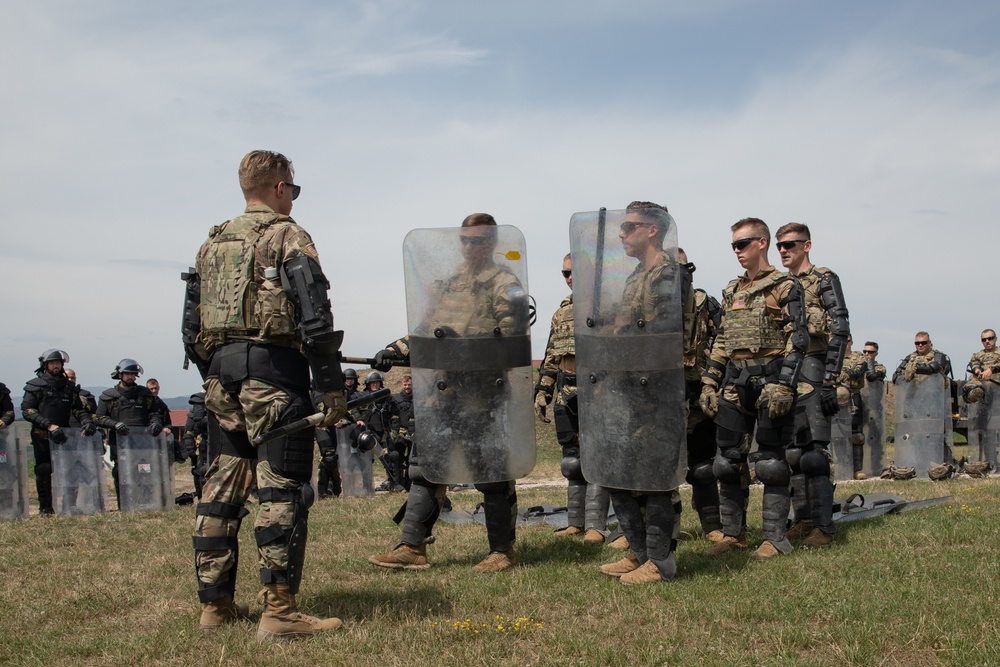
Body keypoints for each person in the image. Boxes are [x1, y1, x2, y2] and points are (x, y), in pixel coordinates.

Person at [186, 150, 347, 639]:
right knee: (282, 490)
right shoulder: (288, 234)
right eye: (292, 190)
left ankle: (214, 607)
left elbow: (192, 324)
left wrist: (214, 374)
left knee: (221, 488)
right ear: (280, 188)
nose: (292, 199)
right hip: (274, 379)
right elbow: (315, 316)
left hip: (220, 379)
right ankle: (278, 612)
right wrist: (331, 386)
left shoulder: (211, 243)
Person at [368, 213, 526, 573]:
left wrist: (467, 346)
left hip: (481, 393)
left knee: (490, 472)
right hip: (442, 392)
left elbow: (511, 339)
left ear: (493, 243)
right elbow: (426, 329)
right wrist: (395, 350)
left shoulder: (505, 283)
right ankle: (412, 547)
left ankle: (502, 551)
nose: (471, 247)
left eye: (479, 240)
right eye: (466, 241)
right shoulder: (450, 283)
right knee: (426, 468)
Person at [591, 201, 693, 585]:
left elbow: (664, 328)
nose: (621, 233)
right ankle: (638, 552)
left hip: (658, 389)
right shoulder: (637, 275)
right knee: (618, 474)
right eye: (620, 227)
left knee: (653, 479)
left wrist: (623, 332)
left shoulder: (669, 273)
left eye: (629, 227)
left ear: (653, 230)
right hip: (630, 387)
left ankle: (660, 561)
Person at [699, 218, 808, 560]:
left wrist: (784, 385)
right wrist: (710, 382)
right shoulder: (731, 290)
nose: (737, 251)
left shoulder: (784, 286)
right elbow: (722, 340)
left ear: (762, 243)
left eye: (743, 243)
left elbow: (798, 338)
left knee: (771, 464)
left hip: (772, 380)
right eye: (733, 245)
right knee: (726, 463)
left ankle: (774, 537)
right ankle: (733, 535)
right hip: (736, 382)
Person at [774, 222, 851, 549]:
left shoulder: (823, 279)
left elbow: (841, 327)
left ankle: (824, 526)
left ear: (807, 245)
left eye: (790, 244)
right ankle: (803, 519)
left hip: (816, 365)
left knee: (815, 454)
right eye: (779, 245)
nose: (783, 251)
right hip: (788, 370)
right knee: (793, 451)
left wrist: (831, 379)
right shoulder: (779, 285)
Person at [535, 253, 611, 545]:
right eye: (564, 273)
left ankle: (596, 526)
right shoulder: (562, 311)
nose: (569, 278)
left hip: (598, 390)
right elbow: (552, 355)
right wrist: (544, 390)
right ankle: (575, 523)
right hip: (567, 390)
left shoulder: (605, 306)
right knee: (572, 460)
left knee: (597, 459)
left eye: (574, 272)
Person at [678, 248, 724, 543]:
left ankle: (711, 526)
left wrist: (714, 384)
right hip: (659, 393)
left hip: (698, 390)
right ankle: (650, 533)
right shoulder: (649, 305)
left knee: (703, 466)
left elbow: (724, 343)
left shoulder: (706, 304)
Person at [20, 349, 97, 515]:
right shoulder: (35, 385)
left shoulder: (69, 387)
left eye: (58, 363)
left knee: (71, 471)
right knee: (44, 469)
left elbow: (78, 409)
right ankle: (46, 507)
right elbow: (28, 410)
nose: (56, 366)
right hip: (43, 434)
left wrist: (87, 421)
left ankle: (70, 505)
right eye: (52, 363)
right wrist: (49, 426)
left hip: (66, 436)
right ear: (45, 365)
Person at [94, 359, 163, 506]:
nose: (131, 377)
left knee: (144, 472)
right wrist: (115, 424)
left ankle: (145, 502)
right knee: (120, 472)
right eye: (127, 374)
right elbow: (99, 417)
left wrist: (156, 423)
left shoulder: (144, 394)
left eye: (133, 374)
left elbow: (154, 413)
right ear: (120, 374)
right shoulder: (110, 396)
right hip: (119, 441)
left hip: (142, 441)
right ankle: (124, 503)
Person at [356, 371, 402, 491]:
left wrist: (395, 430)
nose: (375, 385)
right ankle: (366, 486)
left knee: (392, 456)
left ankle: (395, 484)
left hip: (384, 433)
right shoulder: (362, 397)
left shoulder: (387, 397)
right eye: (372, 383)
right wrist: (359, 419)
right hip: (369, 433)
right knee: (366, 460)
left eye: (377, 382)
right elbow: (355, 411)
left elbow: (395, 414)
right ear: (368, 384)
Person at [961, 329, 1000, 404]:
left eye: (990, 338)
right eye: (984, 340)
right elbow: (974, 363)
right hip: (985, 391)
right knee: (971, 390)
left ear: (995, 339)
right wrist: (976, 370)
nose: (987, 341)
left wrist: (991, 369)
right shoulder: (977, 356)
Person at [182, 392, 208, 498]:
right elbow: (189, 431)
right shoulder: (196, 412)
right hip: (200, 445)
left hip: (215, 443)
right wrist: (189, 448)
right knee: (198, 470)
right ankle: (201, 495)